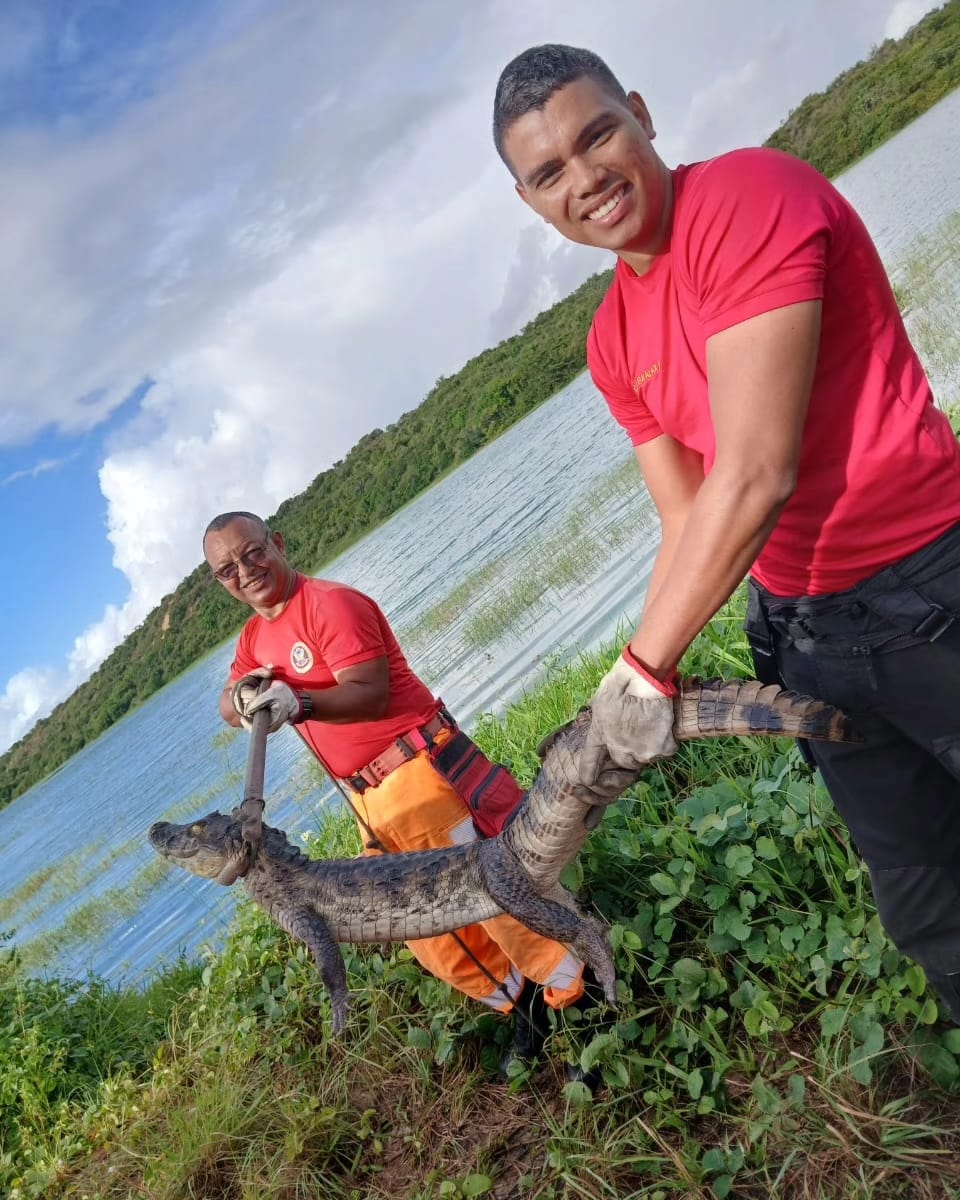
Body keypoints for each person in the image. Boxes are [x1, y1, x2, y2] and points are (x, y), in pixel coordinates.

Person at [492, 45, 960, 1021]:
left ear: (643, 114)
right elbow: (685, 516)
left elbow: (753, 474)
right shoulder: (612, 339)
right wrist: (607, 706)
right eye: (548, 173)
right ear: (530, 201)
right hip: (806, 640)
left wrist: (643, 673)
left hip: (929, 587)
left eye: (597, 135)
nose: (585, 179)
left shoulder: (749, 197)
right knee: (929, 913)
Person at [203, 509, 600, 1072]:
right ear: (220, 582)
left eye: (252, 552)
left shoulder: (329, 605)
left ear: (278, 543)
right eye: (228, 569)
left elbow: (369, 692)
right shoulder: (254, 637)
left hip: (418, 772)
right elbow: (226, 702)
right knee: (426, 932)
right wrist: (241, 699)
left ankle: (584, 1006)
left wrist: (302, 701)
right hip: (369, 800)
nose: (245, 570)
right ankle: (525, 1006)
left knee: (498, 900)